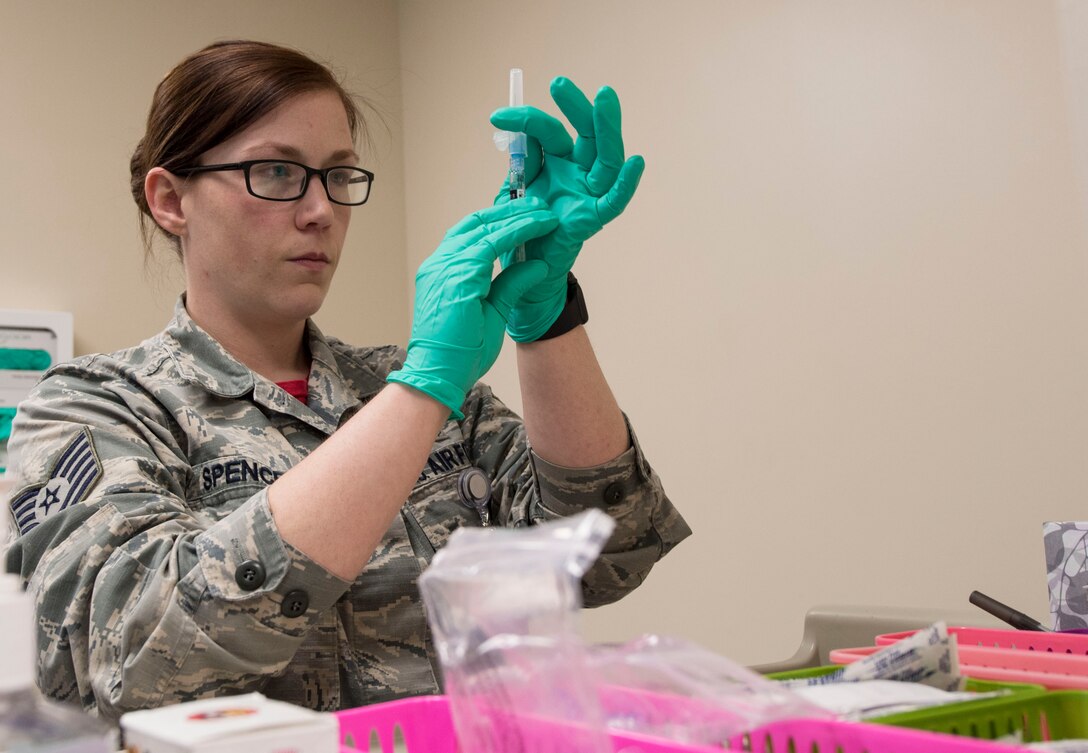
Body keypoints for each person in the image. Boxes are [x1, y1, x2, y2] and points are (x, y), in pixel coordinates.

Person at [2, 39, 690, 721]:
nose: (321, 210)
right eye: (276, 173)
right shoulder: (94, 409)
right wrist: (422, 389)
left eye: (339, 175)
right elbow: (132, 652)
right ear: (170, 200)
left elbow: (609, 554)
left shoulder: (424, 395)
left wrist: (547, 319)